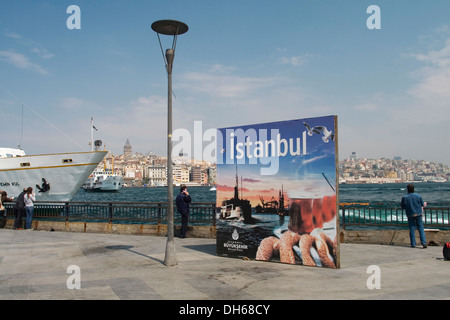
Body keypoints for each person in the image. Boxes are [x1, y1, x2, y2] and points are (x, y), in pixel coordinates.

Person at [401, 184, 427, 248]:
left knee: (412, 228)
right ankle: (423, 243)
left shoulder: (404, 197)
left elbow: (403, 206)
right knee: (420, 228)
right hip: (418, 213)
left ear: (407, 190)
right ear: (413, 189)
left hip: (410, 214)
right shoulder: (418, 196)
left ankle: (413, 244)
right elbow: (422, 204)